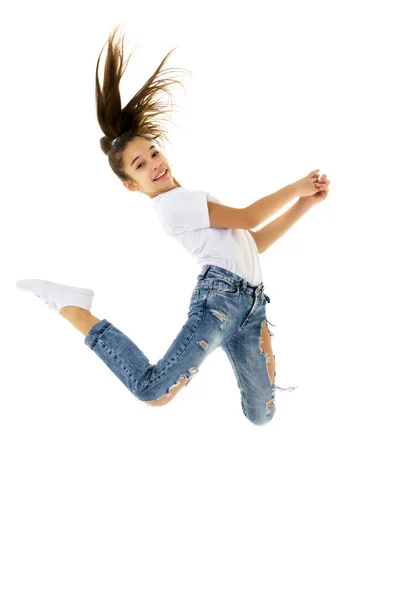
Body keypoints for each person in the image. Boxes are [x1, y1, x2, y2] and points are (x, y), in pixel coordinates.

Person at [16, 24, 330, 425]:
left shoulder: (191, 199)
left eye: (152, 152)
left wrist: (304, 205)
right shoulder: (173, 206)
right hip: (218, 305)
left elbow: (253, 241)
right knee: (151, 390)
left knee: (262, 414)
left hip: (249, 305)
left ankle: (235, 360)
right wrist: (295, 187)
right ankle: (75, 308)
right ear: (131, 185)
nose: (154, 163)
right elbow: (250, 216)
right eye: (140, 165)